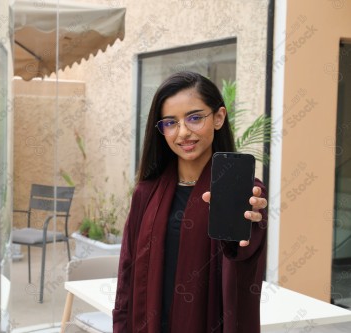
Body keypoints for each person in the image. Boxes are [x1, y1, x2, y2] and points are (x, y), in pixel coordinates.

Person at [113, 71, 268, 333]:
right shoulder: (146, 192)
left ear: (218, 118)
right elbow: (127, 273)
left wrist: (248, 228)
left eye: (195, 118)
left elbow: (242, 258)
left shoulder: (246, 194)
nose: (183, 132)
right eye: (170, 123)